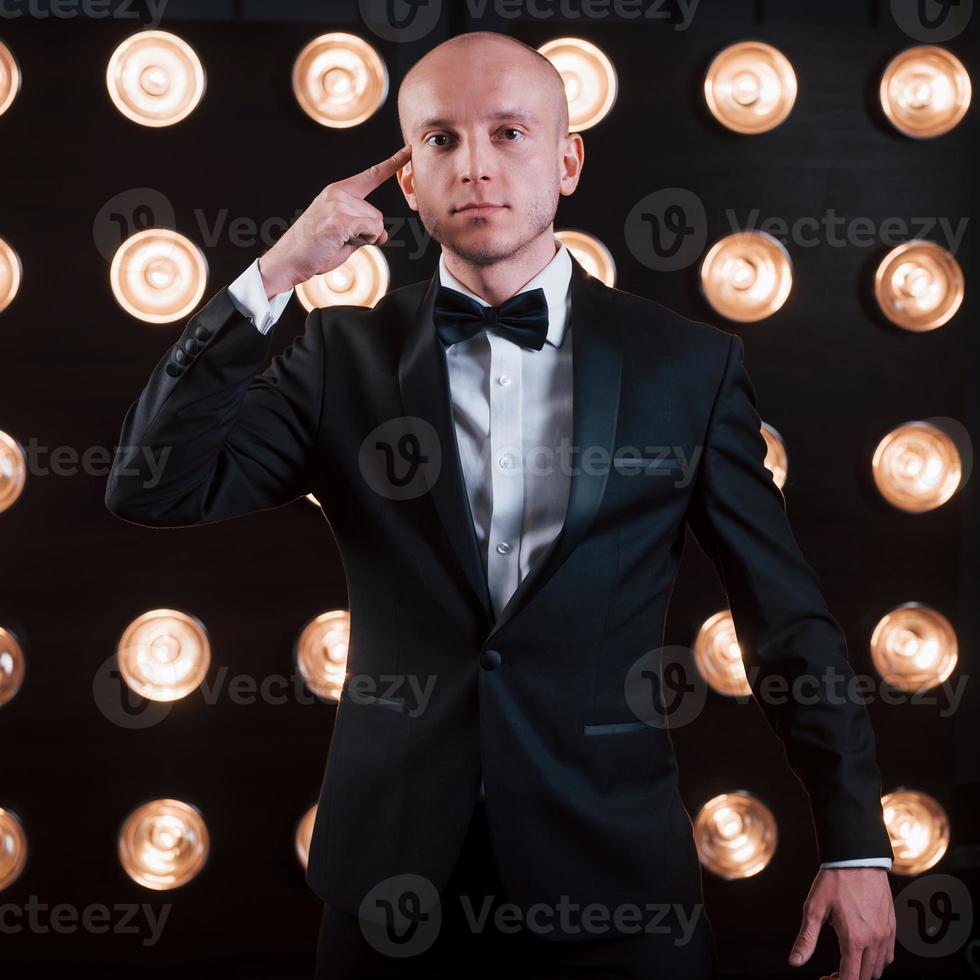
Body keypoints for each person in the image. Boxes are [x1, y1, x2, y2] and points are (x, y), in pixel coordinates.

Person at [105, 30, 896, 980]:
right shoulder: (337, 360)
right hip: (389, 892)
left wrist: (856, 843)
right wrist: (273, 275)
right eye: (440, 140)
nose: (475, 165)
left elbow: (785, 619)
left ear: (567, 161)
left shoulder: (687, 367)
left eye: (510, 132)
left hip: (616, 888)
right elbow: (153, 485)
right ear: (406, 179)